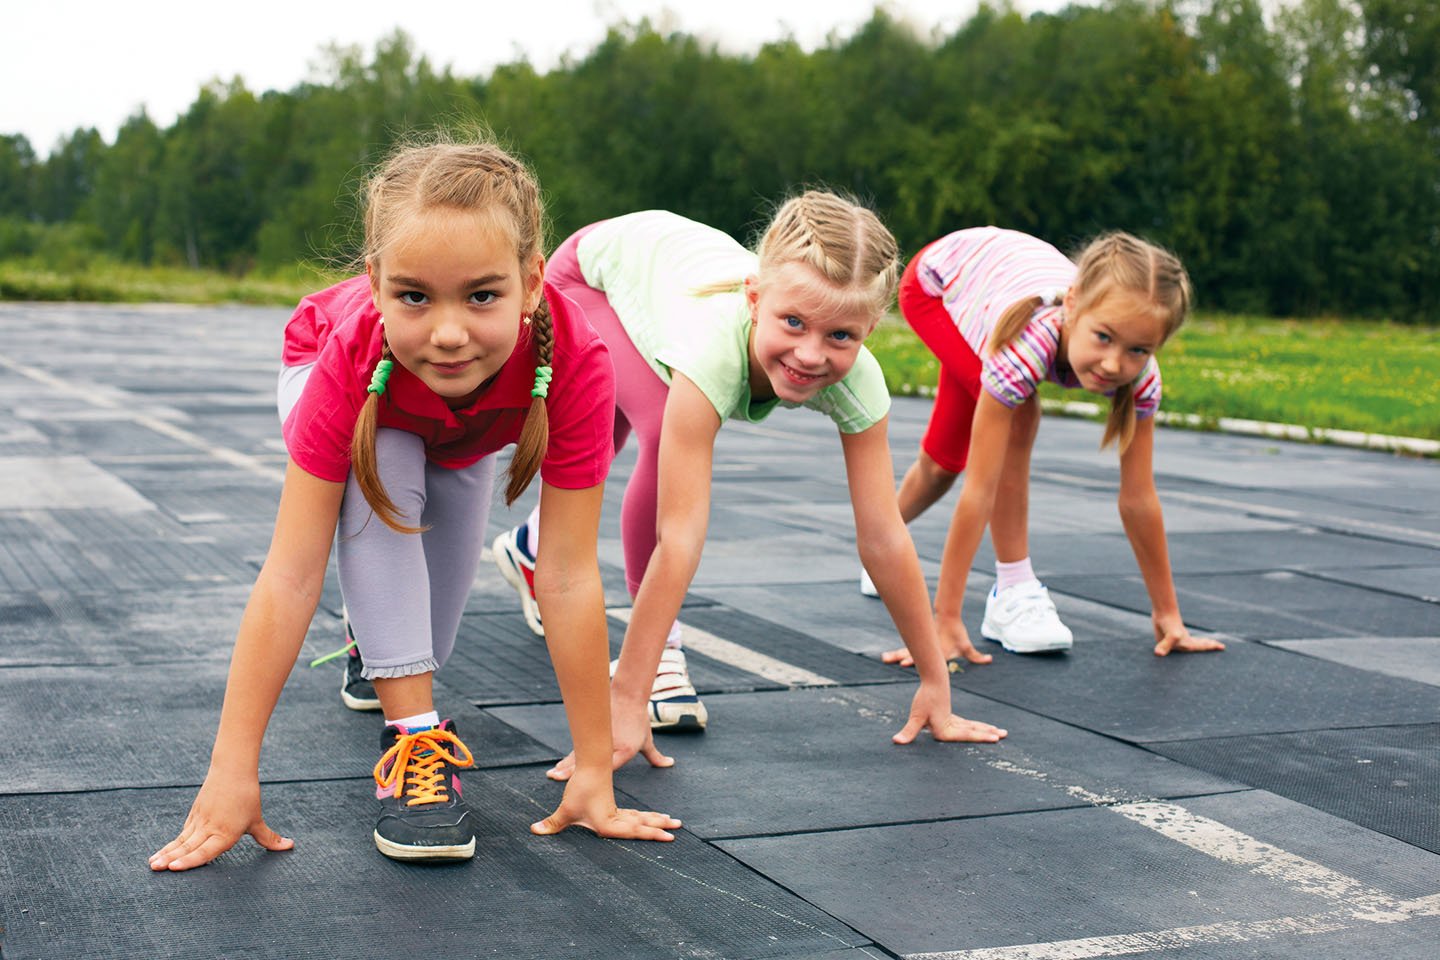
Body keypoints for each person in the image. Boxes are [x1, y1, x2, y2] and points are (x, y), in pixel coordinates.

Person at [148, 140, 679, 872]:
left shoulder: (577, 363)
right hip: (358, 390)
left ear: (530, 284)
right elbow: (292, 574)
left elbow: (563, 575)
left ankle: (374, 643)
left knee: (424, 640)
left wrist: (595, 768)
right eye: (415, 296)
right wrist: (231, 769)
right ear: (374, 284)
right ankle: (414, 744)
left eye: (482, 295)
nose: (450, 332)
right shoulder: (356, 347)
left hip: (460, 435)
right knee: (389, 470)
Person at [492, 194, 1008, 781]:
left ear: (870, 328)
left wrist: (934, 679)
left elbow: (884, 535)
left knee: (612, 431)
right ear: (755, 298)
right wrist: (630, 697)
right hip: (593, 276)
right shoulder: (710, 349)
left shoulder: (859, 380)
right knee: (656, 427)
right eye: (793, 323)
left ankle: (531, 546)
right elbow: (681, 534)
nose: (811, 355)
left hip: (657, 279)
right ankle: (661, 656)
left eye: (842, 335)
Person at [875, 226, 1226, 664]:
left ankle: (880, 547)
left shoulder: (1141, 377)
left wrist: (1169, 615)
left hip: (990, 286)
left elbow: (1139, 499)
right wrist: (944, 620)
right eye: (1103, 337)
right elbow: (980, 491)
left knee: (943, 463)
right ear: (1074, 305)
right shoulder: (1026, 346)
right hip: (938, 285)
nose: (1115, 363)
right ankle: (1012, 591)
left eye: (1138, 349)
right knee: (1016, 415)